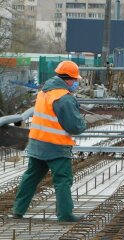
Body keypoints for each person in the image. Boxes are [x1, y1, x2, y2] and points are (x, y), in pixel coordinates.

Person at [12, 60, 86, 222]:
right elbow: (75, 127)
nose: (75, 83)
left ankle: (18, 210)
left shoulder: (43, 92)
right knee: (63, 179)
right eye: (75, 80)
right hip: (56, 146)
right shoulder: (64, 98)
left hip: (37, 143)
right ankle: (65, 214)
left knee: (31, 177)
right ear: (68, 79)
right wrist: (82, 122)